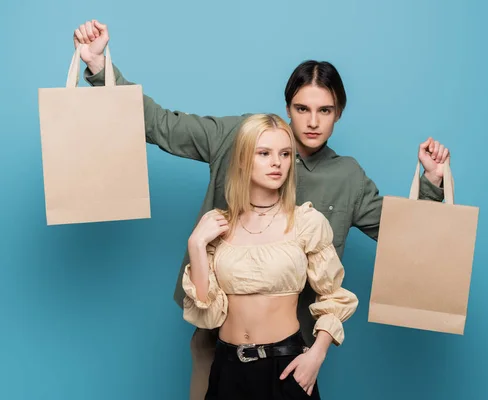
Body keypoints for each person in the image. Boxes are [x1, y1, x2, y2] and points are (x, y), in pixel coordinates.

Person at [73, 19, 452, 399]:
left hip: (292, 345)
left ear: (339, 113)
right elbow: (160, 125)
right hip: (216, 332)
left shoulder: (347, 177)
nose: (313, 121)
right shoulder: (237, 137)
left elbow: (404, 234)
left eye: (325, 110)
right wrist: (99, 68)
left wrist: (431, 182)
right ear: (287, 106)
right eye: (302, 108)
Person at [184, 112, 357, 399]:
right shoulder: (217, 225)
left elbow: (334, 296)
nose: (277, 163)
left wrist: (316, 355)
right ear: (242, 159)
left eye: (285, 154)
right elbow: (207, 314)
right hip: (227, 369)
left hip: (285, 367)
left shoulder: (305, 222)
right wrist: (196, 244)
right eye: (264, 153)